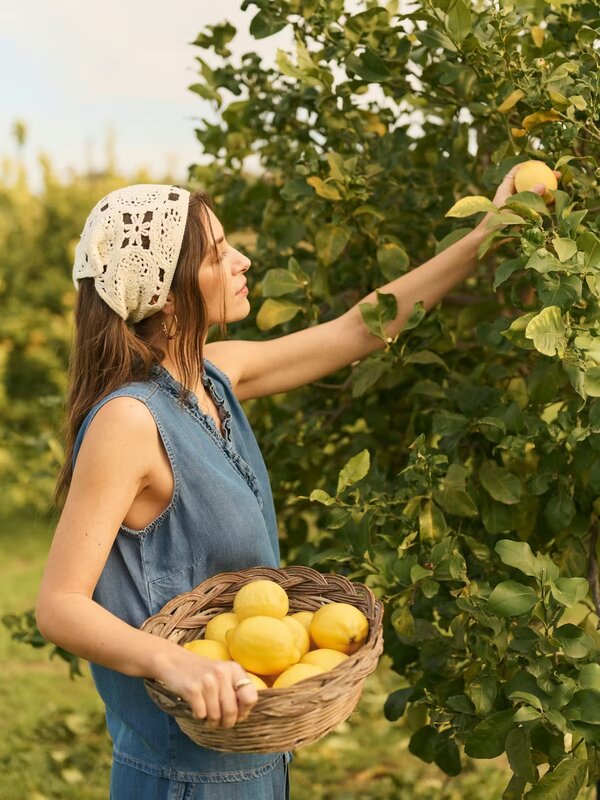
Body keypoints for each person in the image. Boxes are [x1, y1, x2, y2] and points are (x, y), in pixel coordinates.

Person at [35, 168, 556, 799]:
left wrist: (488, 233)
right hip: (185, 775)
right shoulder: (130, 420)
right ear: (167, 296)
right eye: (219, 252)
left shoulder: (213, 375)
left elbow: (362, 328)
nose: (242, 260)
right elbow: (60, 604)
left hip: (254, 753)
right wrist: (173, 661)